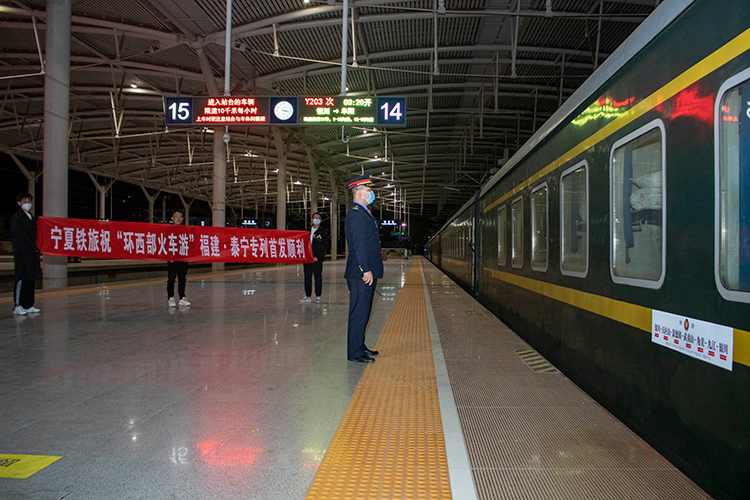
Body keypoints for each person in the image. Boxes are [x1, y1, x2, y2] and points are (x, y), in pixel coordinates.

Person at [344, 174, 383, 363]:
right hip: (361, 273)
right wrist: (365, 269)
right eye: (368, 190)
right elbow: (359, 245)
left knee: (364, 311)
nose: (371, 193)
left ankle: (360, 346)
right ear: (359, 192)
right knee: (359, 312)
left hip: (367, 271)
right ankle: (354, 352)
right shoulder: (356, 214)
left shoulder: (363, 212)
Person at [11, 193, 42, 315]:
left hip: (32, 254)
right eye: (24, 201)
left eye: (29, 201)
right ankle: (18, 305)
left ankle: (29, 304)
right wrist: (29, 246)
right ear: (19, 203)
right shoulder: (17, 218)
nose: (27, 203)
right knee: (21, 279)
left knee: (31, 279)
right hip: (22, 254)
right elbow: (20, 236)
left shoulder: (31, 218)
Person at [300, 212, 329, 303]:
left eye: (318, 218)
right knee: (307, 277)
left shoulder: (323, 232)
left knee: (317, 276)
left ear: (320, 220)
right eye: (314, 218)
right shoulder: (307, 231)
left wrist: (318, 256)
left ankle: (318, 295)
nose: (316, 219)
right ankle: (308, 295)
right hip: (307, 259)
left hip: (317, 259)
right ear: (312, 220)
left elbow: (324, 246)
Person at [167, 211, 190, 307]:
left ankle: (182, 297)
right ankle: (170, 298)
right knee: (171, 278)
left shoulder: (185, 230)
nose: (179, 218)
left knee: (182, 278)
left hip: (183, 257)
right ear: (172, 218)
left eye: (180, 217)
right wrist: (169, 256)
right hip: (172, 258)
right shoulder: (168, 230)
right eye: (176, 216)